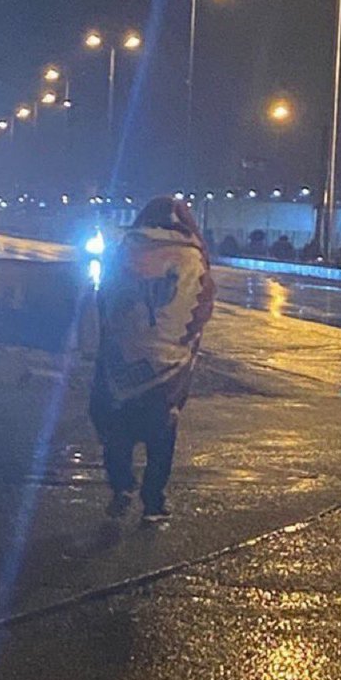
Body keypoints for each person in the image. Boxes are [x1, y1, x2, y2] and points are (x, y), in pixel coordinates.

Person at [90, 196, 214, 525]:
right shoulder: (193, 255)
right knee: (162, 432)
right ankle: (153, 502)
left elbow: (105, 297)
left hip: (123, 357)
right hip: (168, 364)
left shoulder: (127, 249)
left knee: (117, 428)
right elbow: (201, 306)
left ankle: (122, 487)